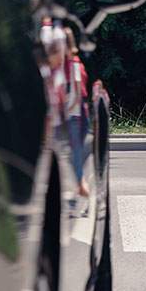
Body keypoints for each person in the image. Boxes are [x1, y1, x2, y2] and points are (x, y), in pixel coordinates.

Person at [64, 27, 90, 198]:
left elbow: (77, 93)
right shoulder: (67, 64)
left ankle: (80, 187)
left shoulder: (72, 65)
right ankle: (78, 187)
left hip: (73, 115)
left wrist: (64, 109)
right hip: (70, 114)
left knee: (75, 154)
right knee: (73, 154)